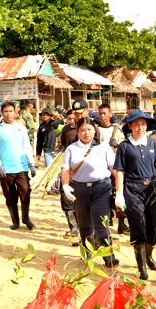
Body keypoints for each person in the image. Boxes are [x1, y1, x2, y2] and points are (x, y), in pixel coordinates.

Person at [60, 117, 119, 268]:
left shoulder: (104, 147)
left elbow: (114, 169)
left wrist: (120, 190)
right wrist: (65, 185)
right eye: (82, 130)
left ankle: (108, 255)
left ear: (95, 130)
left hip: (101, 189)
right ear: (78, 132)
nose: (86, 133)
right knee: (84, 223)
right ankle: (87, 253)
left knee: (102, 223)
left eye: (89, 129)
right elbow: (65, 169)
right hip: (79, 190)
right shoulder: (71, 149)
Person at [114, 109, 156, 280]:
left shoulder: (152, 144)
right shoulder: (125, 146)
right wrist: (119, 193)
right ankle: (141, 266)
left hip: (152, 188)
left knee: (153, 226)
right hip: (133, 189)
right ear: (130, 126)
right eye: (136, 124)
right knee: (138, 225)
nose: (140, 128)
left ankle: (149, 255)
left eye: (143, 124)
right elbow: (120, 170)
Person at [59, 99, 101, 243]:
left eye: (80, 113)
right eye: (75, 114)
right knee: (69, 202)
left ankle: (91, 236)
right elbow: (64, 148)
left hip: (89, 175)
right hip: (70, 172)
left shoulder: (93, 128)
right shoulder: (67, 129)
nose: (77, 116)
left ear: (87, 111)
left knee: (90, 207)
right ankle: (75, 230)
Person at [0, 102, 36, 230]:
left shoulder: (21, 127)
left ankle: (26, 218)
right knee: (10, 195)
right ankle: (15, 221)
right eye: (6, 111)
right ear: (2, 113)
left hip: (21, 167)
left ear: (15, 112)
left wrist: (31, 163)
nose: (8, 114)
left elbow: (26, 145)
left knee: (25, 192)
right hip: (6, 168)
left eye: (11, 111)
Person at [97, 103, 128, 234]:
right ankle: (107, 217)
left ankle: (121, 222)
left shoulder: (117, 131)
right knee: (104, 192)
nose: (102, 116)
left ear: (110, 114)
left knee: (119, 192)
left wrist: (117, 145)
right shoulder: (96, 130)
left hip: (116, 166)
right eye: (100, 113)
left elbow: (125, 147)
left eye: (104, 113)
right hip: (101, 166)